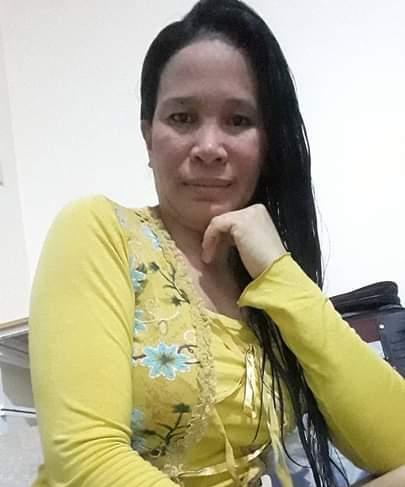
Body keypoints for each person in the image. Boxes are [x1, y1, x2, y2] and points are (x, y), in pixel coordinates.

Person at [29, 1, 405, 486]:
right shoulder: (101, 230)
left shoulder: (260, 282)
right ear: (148, 138)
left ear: (267, 145)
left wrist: (280, 270)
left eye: (238, 120)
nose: (209, 147)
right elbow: (85, 460)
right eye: (183, 118)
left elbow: (397, 441)